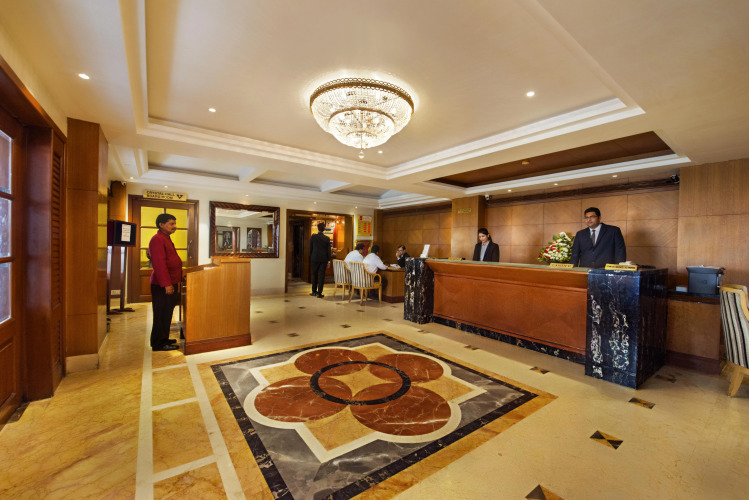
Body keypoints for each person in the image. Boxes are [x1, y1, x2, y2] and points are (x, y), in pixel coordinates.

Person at [149, 213, 182, 351]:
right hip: (162, 285)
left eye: (174, 223)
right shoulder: (157, 239)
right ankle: (159, 343)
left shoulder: (165, 238)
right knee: (161, 314)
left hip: (169, 282)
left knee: (166, 313)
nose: (174, 226)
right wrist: (167, 284)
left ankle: (163, 338)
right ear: (161, 225)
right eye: (171, 224)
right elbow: (159, 264)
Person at [309, 222, 331, 298]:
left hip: (314, 258)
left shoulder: (313, 237)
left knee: (314, 274)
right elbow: (328, 251)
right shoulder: (327, 238)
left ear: (317, 228)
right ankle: (319, 293)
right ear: (324, 229)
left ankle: (313, 291)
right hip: (323, 259)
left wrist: (312, 256)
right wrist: (329, 261)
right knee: (321, 276)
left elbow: (310, 248)